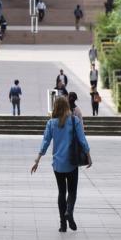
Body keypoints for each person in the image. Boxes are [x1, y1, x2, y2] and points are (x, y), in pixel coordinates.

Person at [31, 95, 92, 232]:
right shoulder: (74, 120)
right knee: (72, 191)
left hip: (58, 164)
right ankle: (69, 212)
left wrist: (38, 159)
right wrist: (88, 156)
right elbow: (82, 140)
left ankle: (63, 225)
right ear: (67, 106)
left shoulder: (51, 123)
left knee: (61, 192)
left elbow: (45, 142)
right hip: (71, 163)